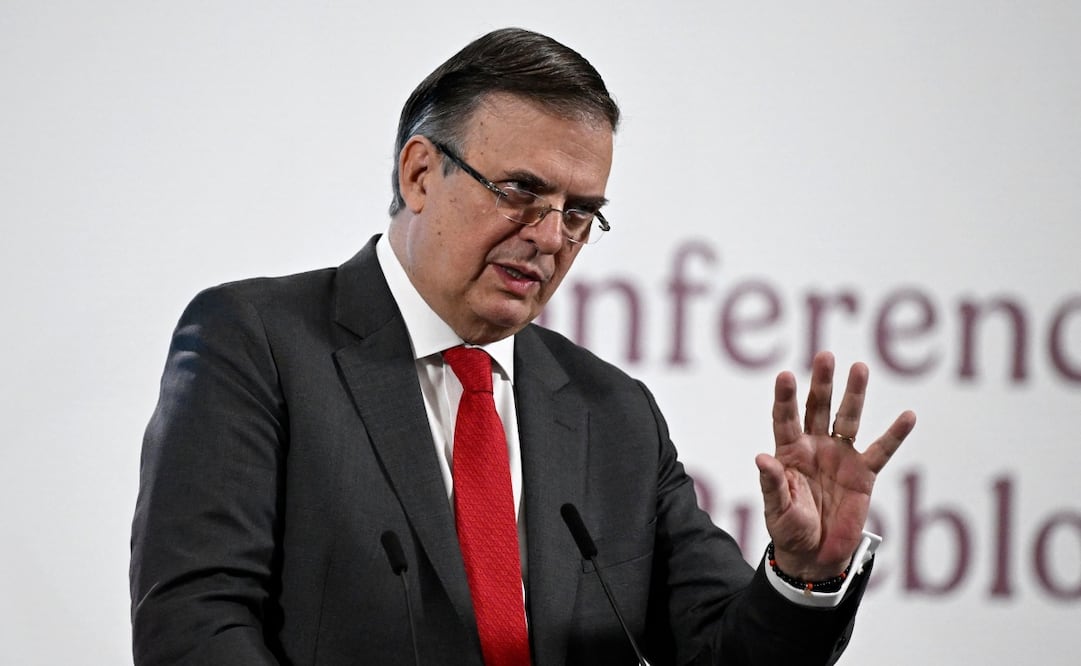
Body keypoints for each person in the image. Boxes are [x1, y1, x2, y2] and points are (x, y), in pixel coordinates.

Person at [130, 27, 916, 665]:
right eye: (520, 192)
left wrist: (799, 578)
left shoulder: (614, 416)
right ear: (418, 174)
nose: (547, 238)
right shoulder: (259, 342)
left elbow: (719, 650)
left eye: (579, 212)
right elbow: (194, 625)